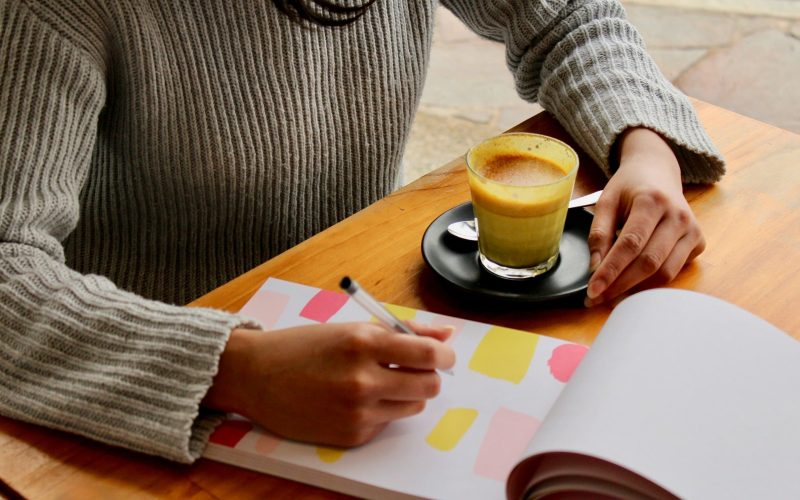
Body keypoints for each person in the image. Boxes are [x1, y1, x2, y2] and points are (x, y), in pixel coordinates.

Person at [0, 0, 724, 463]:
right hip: (141, 397)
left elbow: (567, 19)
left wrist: (645, 146)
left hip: (361, 315)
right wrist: (233, 368)